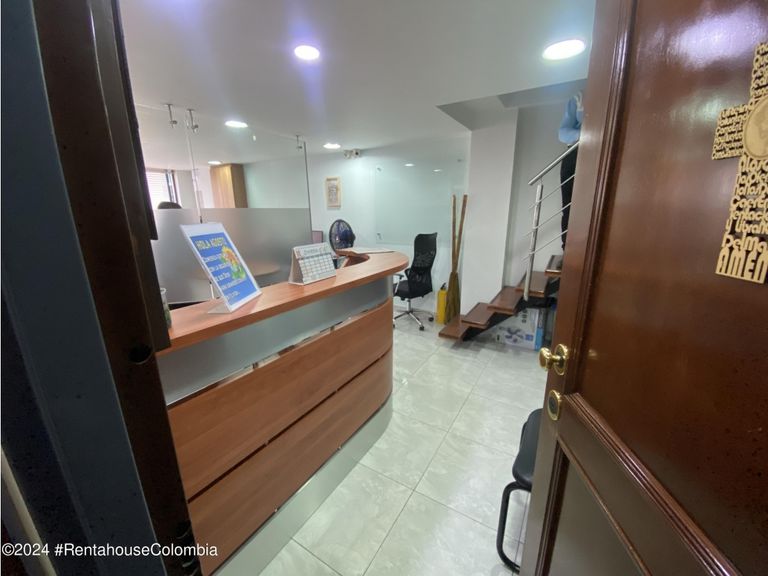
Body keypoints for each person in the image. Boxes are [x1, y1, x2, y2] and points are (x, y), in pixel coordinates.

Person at [558, 91, 583, 248]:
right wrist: (589, 134)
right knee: (568, 205)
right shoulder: (579, 98)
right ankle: (567, 248)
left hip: (599, 152)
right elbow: (563, 133)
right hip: (575, 152)